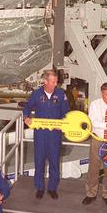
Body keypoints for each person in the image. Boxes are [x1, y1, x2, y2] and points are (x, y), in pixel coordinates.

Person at [23, 70, 70, 199]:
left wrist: (64, 124)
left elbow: (66, 112)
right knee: (39, 161)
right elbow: (27, 107)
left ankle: (52, 188)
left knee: (54, 161)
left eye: (56, 82)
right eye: (53, 82)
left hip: (55, 133)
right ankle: (39, 187)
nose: (55, 84)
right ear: (45, 81)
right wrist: (26, 117)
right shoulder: (36, 94)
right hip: (40, 133)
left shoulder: (61, 94)